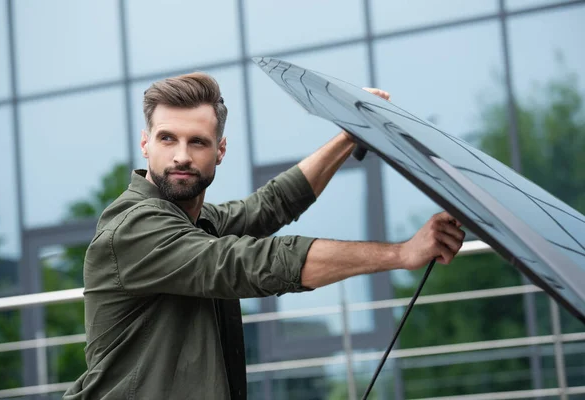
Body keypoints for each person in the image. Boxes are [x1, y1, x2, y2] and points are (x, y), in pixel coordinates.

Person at [63, 72, 465, 400]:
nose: (181, 155)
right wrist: (401, 254)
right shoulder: (135, 227)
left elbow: (268, 206)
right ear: (145, 144)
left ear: (219, 150)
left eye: (197, 141)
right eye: (168, 138)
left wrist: (348, 136)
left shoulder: (194, 223)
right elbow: (250, 263)